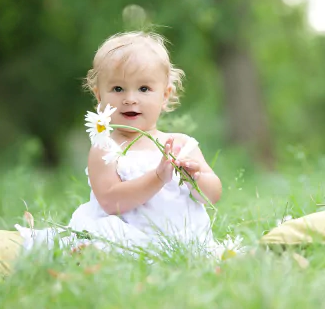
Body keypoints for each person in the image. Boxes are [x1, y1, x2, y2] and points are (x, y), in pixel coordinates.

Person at [15, 32, 222, 255]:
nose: (130, 98)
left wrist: (196, 178)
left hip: (181, 237)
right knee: (105, 238)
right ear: (99, 97)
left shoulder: (182, 144)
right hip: (127, 235)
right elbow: (111, 201)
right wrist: (158, 177)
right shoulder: (105, 148)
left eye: (143, 89)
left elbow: (212, 195)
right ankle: (95, 255)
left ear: (164, 95)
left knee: (202, 251)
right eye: (118, 89)